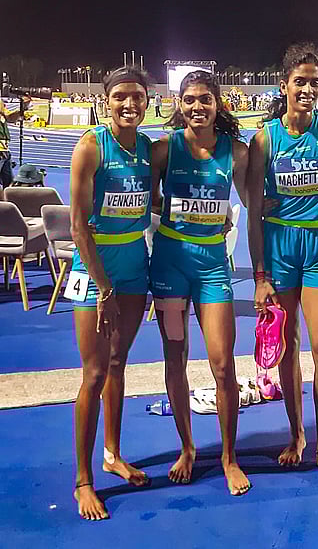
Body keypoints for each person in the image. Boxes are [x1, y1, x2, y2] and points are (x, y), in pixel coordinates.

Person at [247, 43, 318, 482]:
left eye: (315, 82)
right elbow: (252, 208)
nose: (308, 89)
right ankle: (297, 436)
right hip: (279, 247)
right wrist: (259, 275)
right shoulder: (266, 137)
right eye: (300, 82)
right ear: (284, 84)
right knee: (287, 346)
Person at [150, 70, 250, 496]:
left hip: (212, 268)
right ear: (179, 103)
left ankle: (229, 456)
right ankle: (187, 448)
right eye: (189, 99)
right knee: (175, 359)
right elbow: (144, 198)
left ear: (218, 103)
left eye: (205, 99)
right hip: (170, 267)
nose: (197, 107)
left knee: (222, 364)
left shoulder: (237, 153)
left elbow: (256, 203)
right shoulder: (163, 149)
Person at [69, 66, 152, 520]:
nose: (129, 104)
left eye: (137, 96)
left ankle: (113, 453)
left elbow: (154, 201)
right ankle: (84, 480)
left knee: (120, 363)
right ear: (106, 101)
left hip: (135, 266)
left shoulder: (146, 148)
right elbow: (79, 228)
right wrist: (103, 286)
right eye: (120, 96)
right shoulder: (90, 147)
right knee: (95, 373)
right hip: (96, 269)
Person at [0, 96, 30, 189]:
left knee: (8, 184)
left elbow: (11, 118)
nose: (3, 105)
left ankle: (6, 202)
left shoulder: (2, 114)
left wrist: (22, 108)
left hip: (5, 151)